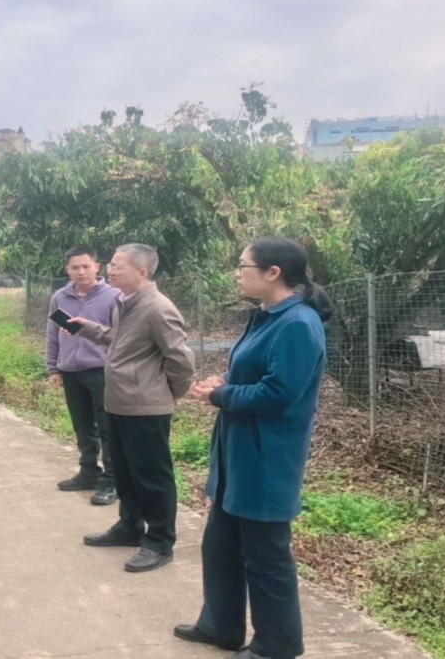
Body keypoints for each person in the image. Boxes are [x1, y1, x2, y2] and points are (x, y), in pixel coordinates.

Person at [174, 237, 333, 659]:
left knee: (266, 557)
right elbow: (253, 371)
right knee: (221, 546)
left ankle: (277, 646)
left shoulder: (298, 324)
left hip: (268, 455)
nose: (237, 273)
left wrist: (221, 396)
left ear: (273, 272)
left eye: (243, 266)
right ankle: (221, 625)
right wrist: (225, 382)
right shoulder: (266, 316)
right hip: (239, 451)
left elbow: (280, 392)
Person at [70, 243, 196, 572]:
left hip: (145, 408)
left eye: (117, 266)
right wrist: (88, 328)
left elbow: (181, 360)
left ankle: (160, 541)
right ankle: (129, 526)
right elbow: (122, 341)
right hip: (118, 402)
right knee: (125, 472)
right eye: (111, 264)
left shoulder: (158, 308)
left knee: (152, 476)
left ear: (141, 272)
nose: (110, 270)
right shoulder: (124, 302)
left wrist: (171, 393)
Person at [46, 246, 122, 505]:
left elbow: (121, 336)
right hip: (70, 371)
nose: (81, 272)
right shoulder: (60, 297)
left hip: (102, 371)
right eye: (75, 267)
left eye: (86, 266)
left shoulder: (114, 296)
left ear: (97, 267)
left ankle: (111, 480)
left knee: (107, 428)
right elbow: (52, 334)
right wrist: (53, 367)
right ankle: (89, 472)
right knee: (82, 426)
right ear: (67, 270)